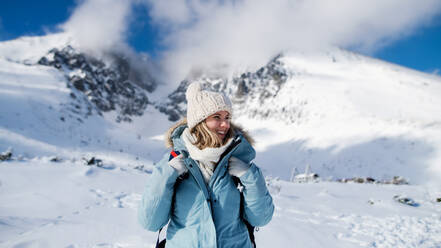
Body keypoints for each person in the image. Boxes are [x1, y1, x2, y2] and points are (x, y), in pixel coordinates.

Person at [138, 82, 274, 248]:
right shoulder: (172, 163)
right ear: (199, 121)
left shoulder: (239, 161)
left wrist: (249, 176)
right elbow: (150, 222)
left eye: (227, 118)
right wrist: (168, 173)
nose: (225, 124)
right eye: (217, 117)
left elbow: (261, 218)